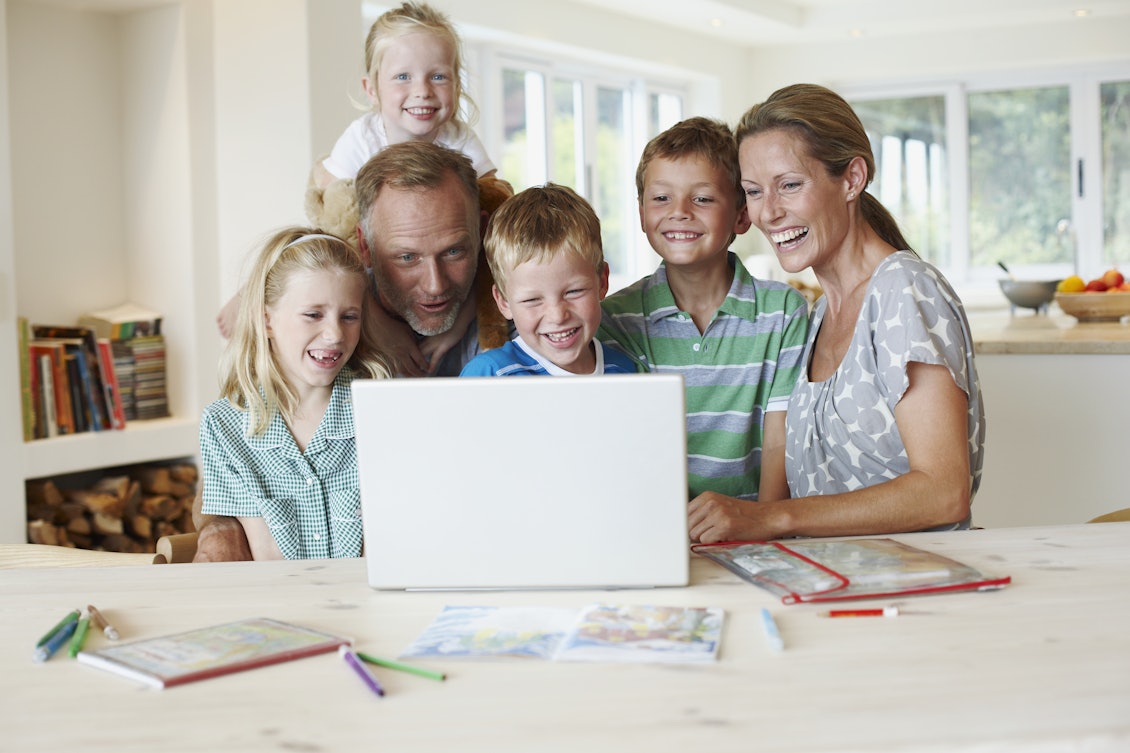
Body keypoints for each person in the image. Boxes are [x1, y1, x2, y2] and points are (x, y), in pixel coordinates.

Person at [688, 83, 985, 544]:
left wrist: (774, 518)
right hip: (830, 587)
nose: (769, 213)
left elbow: (945, 492)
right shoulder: (818, 315)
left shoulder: (905, 293)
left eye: (789, 185)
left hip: (911, 592)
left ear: (852, 178)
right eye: (753, 191)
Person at [599, 116, 810, 503]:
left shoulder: (783, 313)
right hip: (656, 531)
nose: (680, 211)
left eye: (703, 198)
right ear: (642, 212)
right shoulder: (613, 320)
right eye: (661, 197)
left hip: (758, 532)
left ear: (741, 215)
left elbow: (781, 440)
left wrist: (762, 525)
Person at [197, 228, 390, 560]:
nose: (334, 334)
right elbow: (266, 554)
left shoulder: (380, 412)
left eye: (349, 317)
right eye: (313, 315)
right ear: (267, 319)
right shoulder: (223, 426)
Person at [460, 183, 639, 376]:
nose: (557, 316)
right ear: (503, 301)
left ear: (602, 282)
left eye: (573, 292)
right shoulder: (489, 374)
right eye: (532, 300)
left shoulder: (624, 369)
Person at [313, 1, 495, 189]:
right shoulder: (362, 139)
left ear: (456, 86)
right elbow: (333, 204)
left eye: (438, 76)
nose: (423, 91)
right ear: (372, 90)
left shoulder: (460, 138)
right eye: (403, 76)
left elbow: (493, 195)